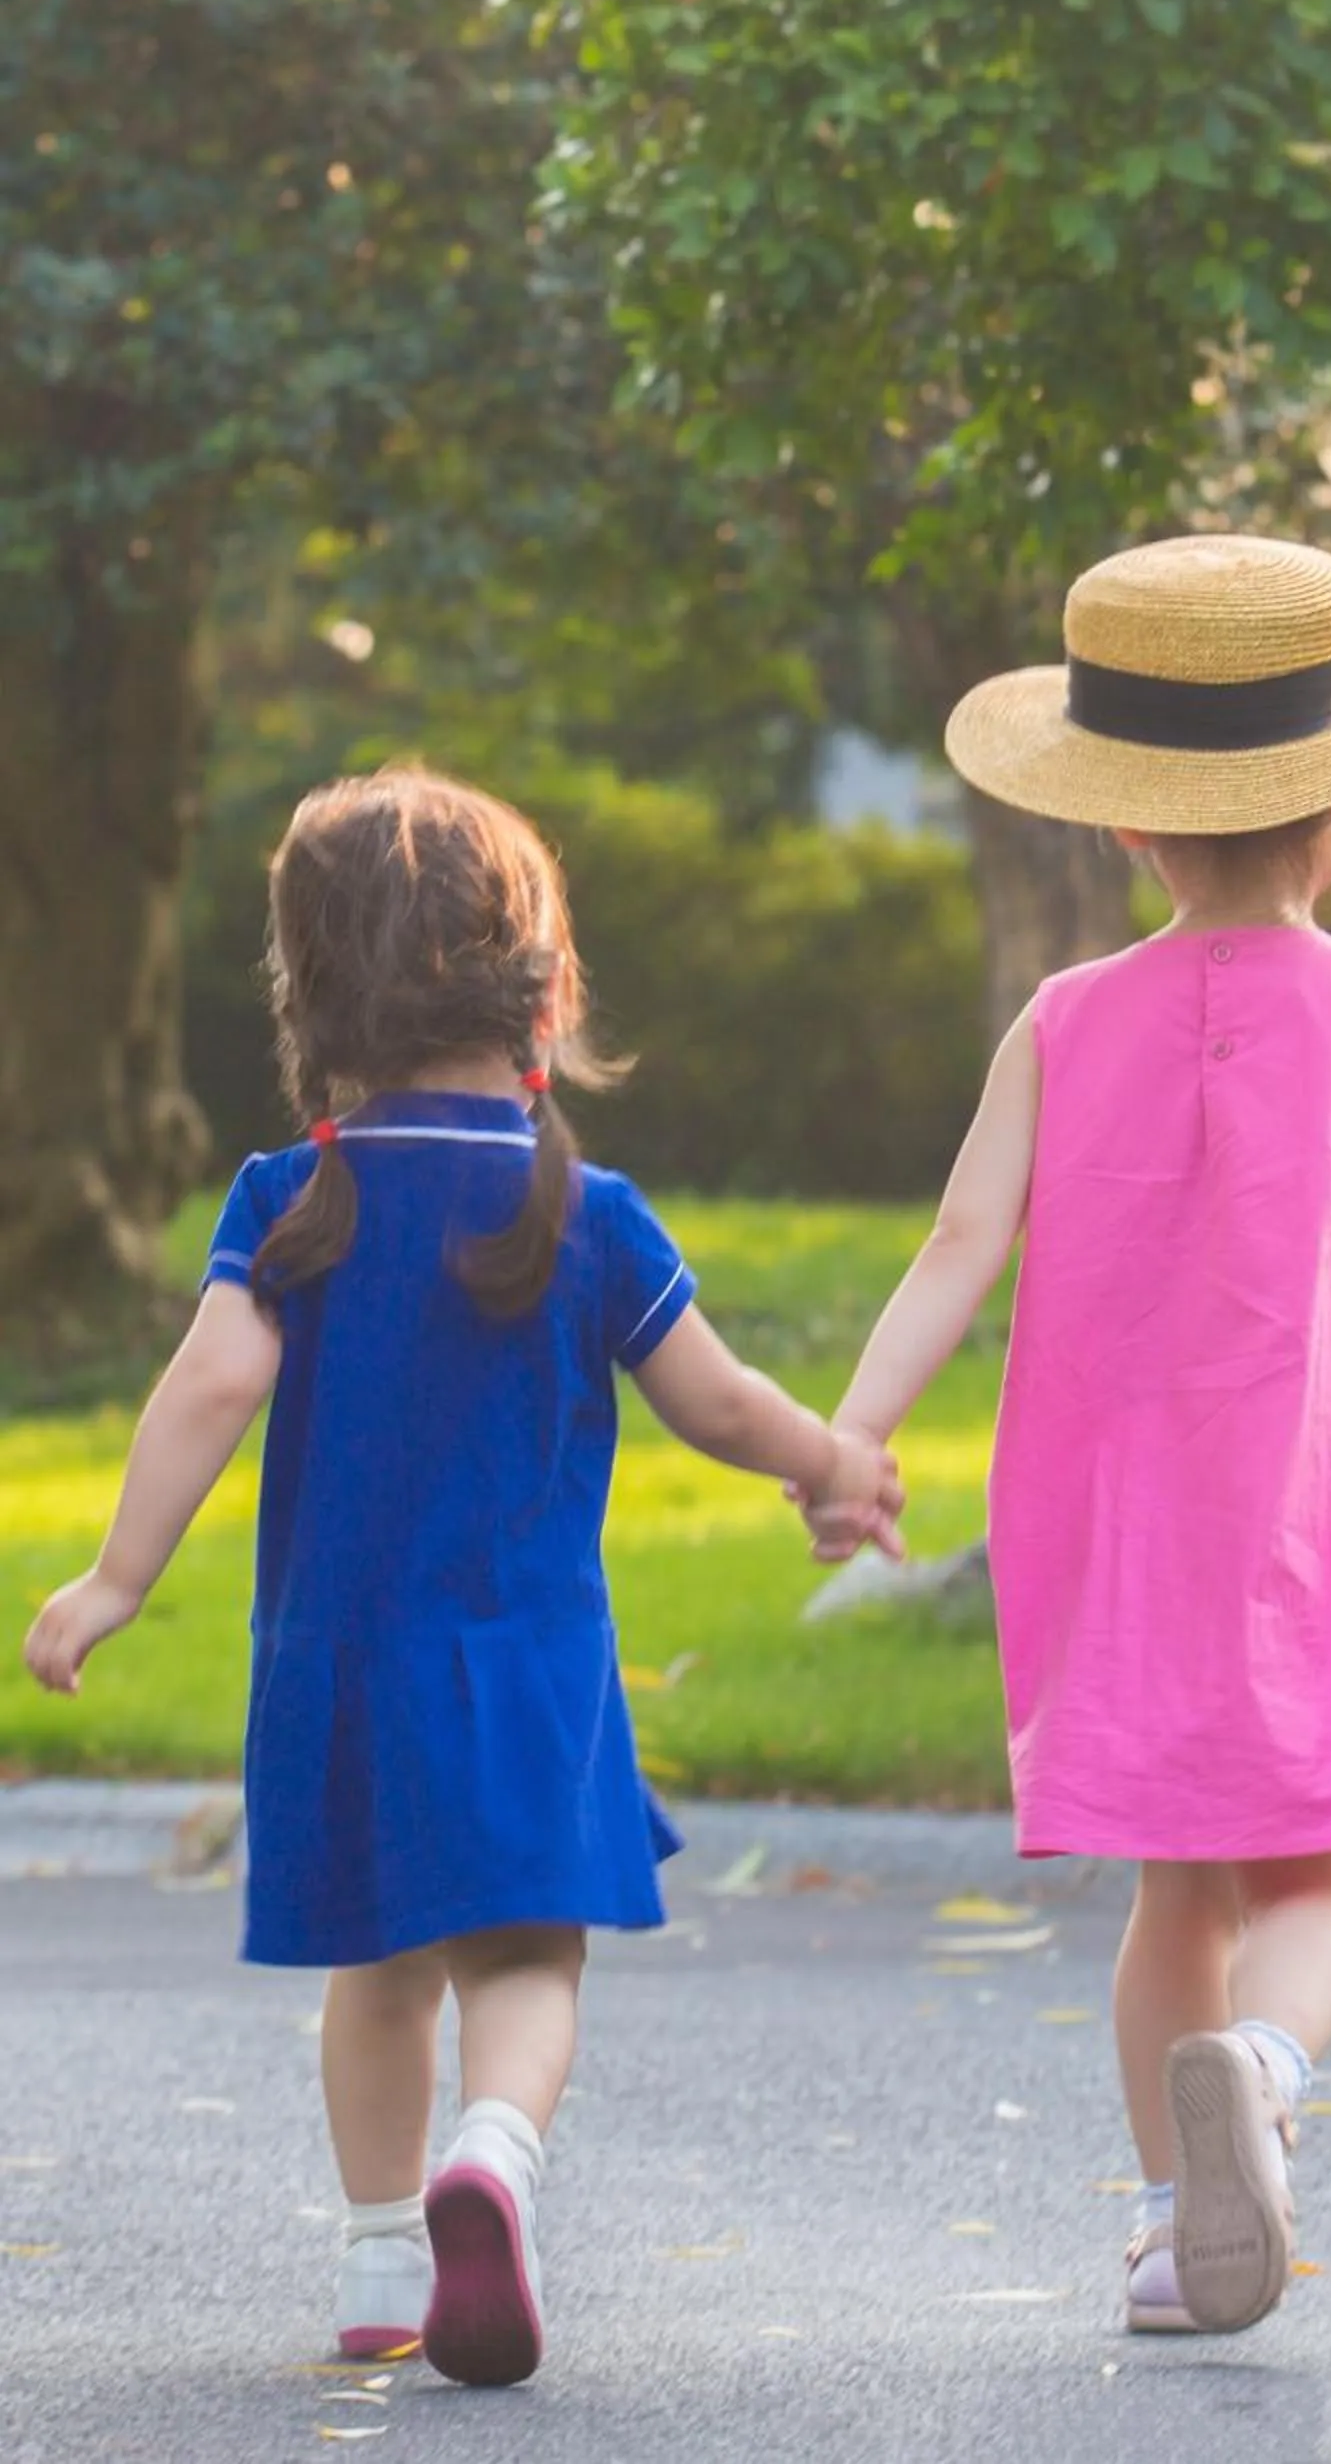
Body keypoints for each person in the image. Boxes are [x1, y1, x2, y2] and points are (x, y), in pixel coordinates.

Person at [23, 768, 902, 2387]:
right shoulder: (587, 1211)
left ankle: (376, 2259)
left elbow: (205, 1387)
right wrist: (830, 1466)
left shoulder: (293, 1201)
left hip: (341, 1666)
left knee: (380, 1961)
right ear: (548, 997)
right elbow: (715, 1401)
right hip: (529, 1672)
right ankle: (490, 2154)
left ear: (310, 999)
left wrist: (115, 1580)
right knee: (522, 1956)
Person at [833, 534, 1331, 2340]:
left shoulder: (1058, 1019)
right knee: (1315, 1873)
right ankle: (1261, 2071)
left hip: (1118, 1528)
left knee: (1168, 1893)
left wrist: (855, 1434)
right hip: (1320, 1517)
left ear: (1124, 827)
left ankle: (1177, 2231)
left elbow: (958, 1245)